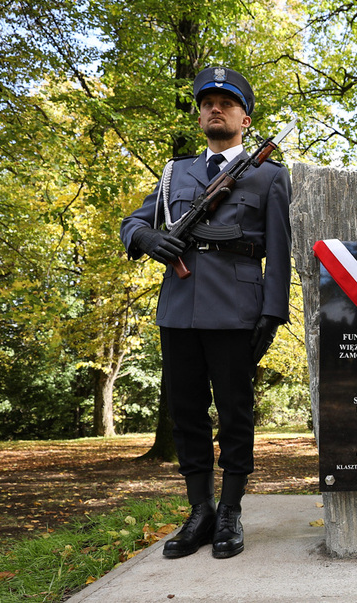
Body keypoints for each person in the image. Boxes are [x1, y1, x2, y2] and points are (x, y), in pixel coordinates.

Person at [120, 66, 292, 559]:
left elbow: (279, 250)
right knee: (187, 414)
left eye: (227, 103)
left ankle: (232, 510)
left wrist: (273, 311)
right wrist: (148, 237)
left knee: (236, 414)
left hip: (238, 309)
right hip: (178, 307)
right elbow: (134, 222)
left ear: (245, 116)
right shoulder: (176, 172)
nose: (216, 109)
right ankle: (200, 510)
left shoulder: (268, 176)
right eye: (207, 102)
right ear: (200, 115)